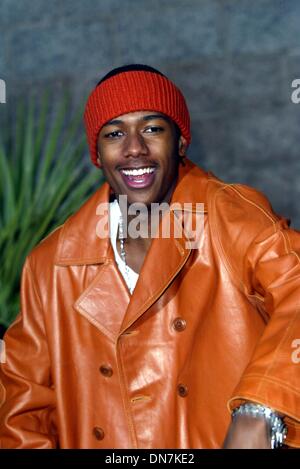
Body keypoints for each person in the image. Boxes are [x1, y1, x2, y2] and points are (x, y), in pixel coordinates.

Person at [0, 64, 300, 449]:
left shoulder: (231, 217)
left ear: (180, 142)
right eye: (114, 133)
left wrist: (260, 410)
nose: (134, 148)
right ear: (98, 155)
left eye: (152, 128)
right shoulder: (51, 265)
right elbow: (23, 413)